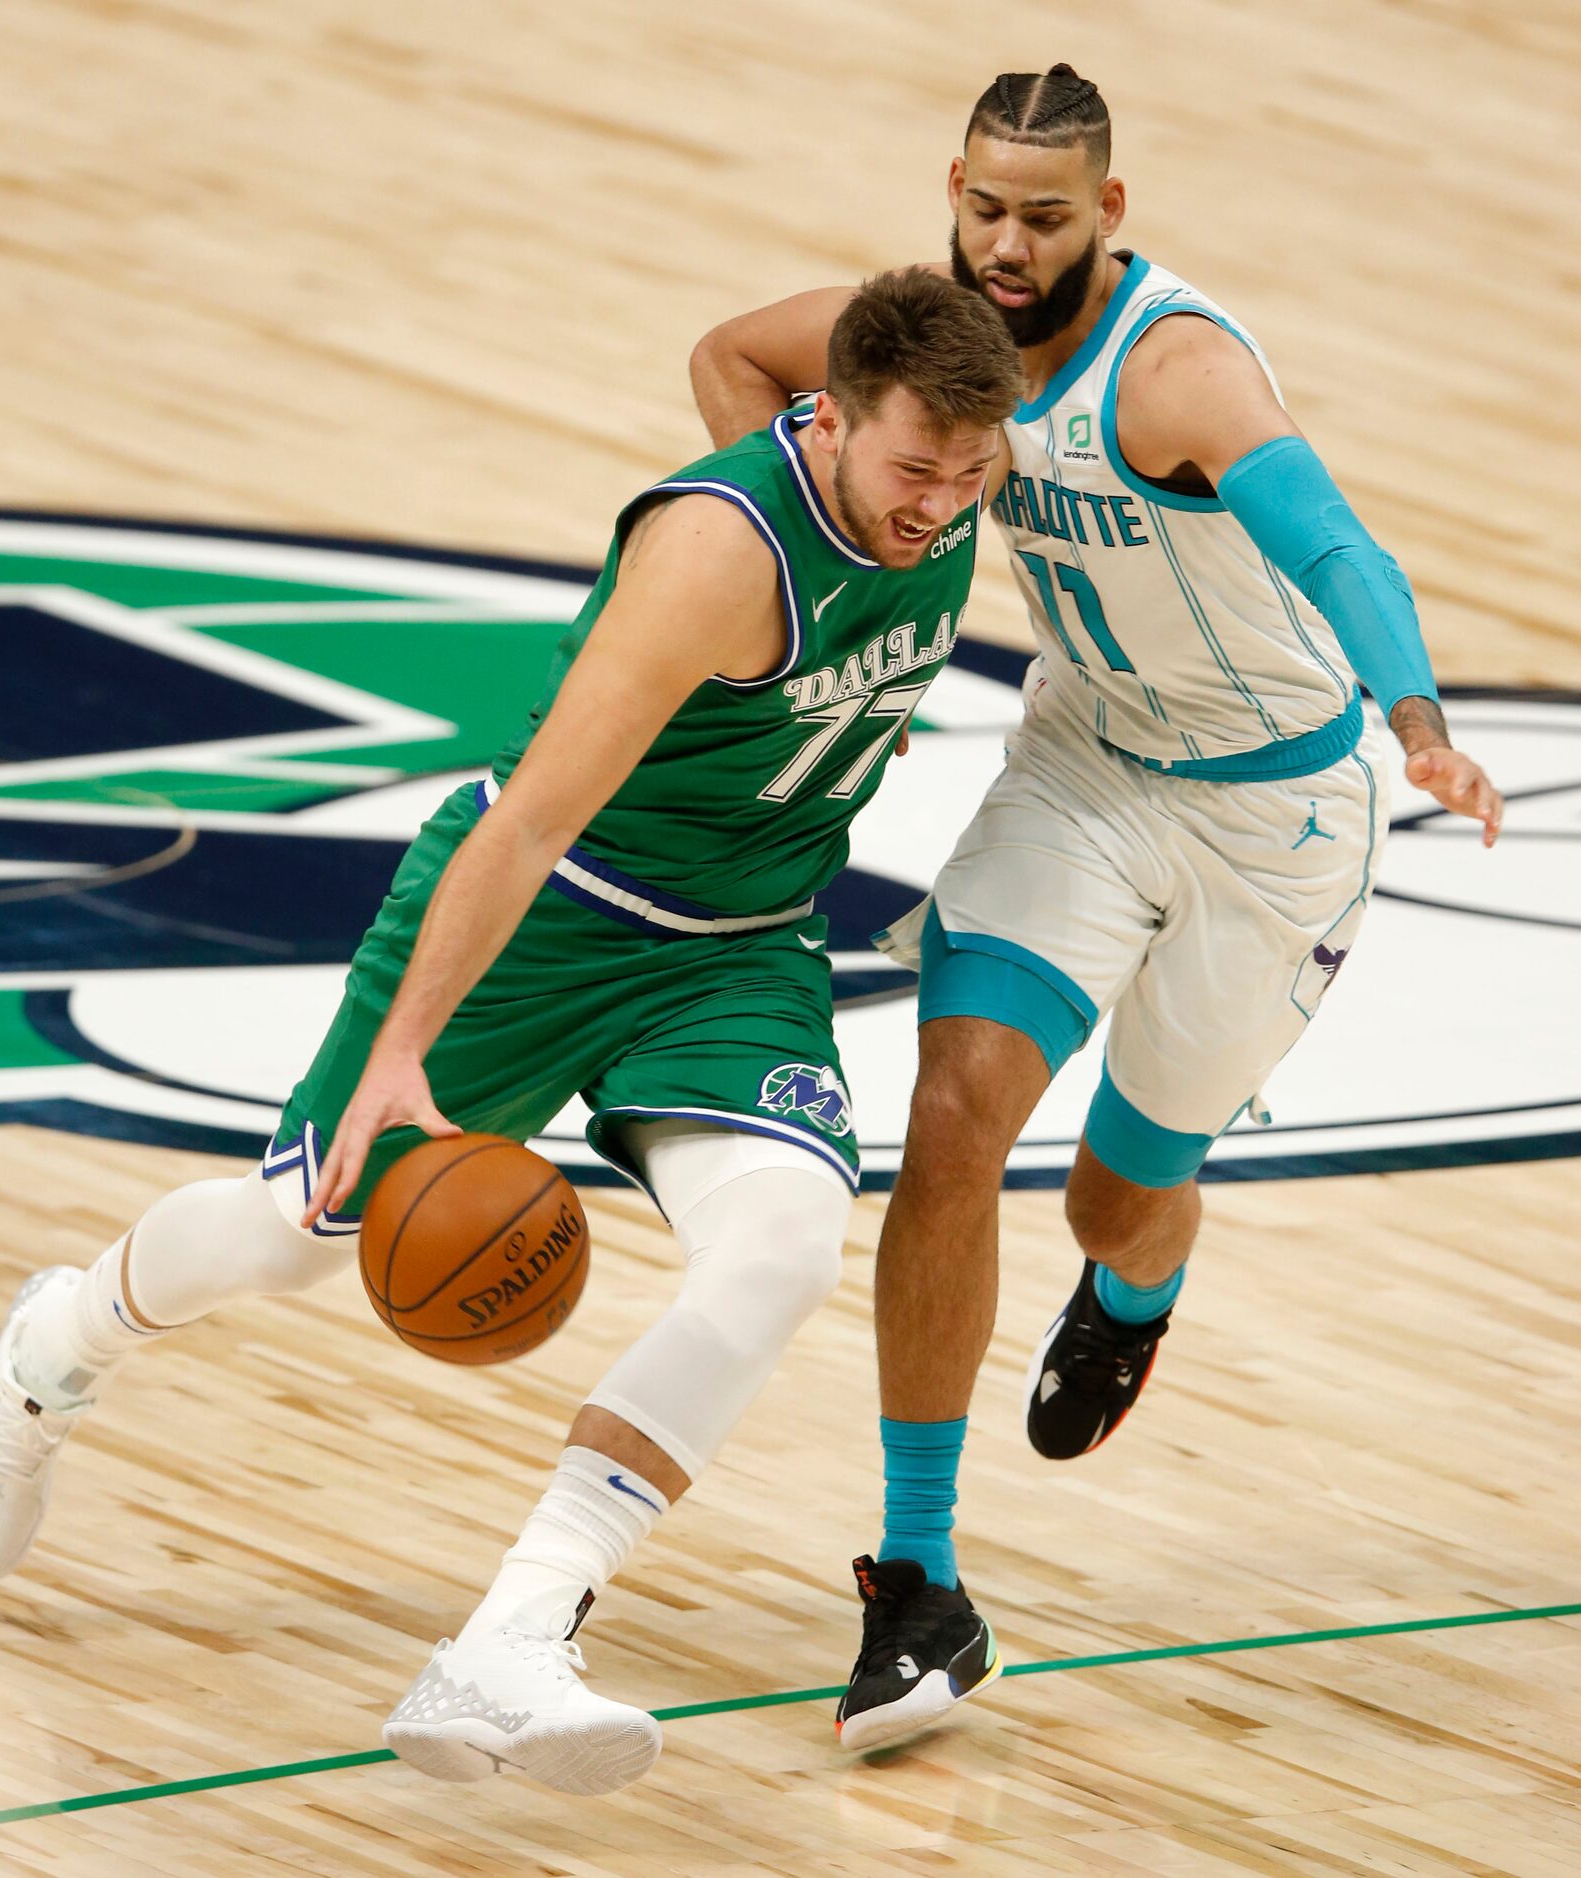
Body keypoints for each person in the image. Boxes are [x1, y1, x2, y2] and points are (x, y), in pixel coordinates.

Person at [0, 269, 1023, 1796]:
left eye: (972, 475)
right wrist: (401, 1060)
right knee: (289, 1238)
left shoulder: (947, 451)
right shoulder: (712, 553)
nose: (939, 508)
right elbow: (524, 827)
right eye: (914, 470)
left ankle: (510, 1642)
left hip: (735, 948)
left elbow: (745, 349)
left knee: (779, 1246)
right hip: (549, 908)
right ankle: (58, 1341)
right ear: (824, 419)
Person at [691, 66, 1505, 1752]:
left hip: (1271, 814)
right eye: (981, 204)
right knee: (954, 1117)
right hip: (1079, 769)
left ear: (1106, 217)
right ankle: (917, 1581)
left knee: (1122, 1196)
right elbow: (737, 359)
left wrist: (1418, 718)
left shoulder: (1176, 372)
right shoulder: (923, 335)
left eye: (1042, 215)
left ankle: (1136, 1289)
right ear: (954, 188)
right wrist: (828, 555)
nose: (1002, 242)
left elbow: (1343, 550)